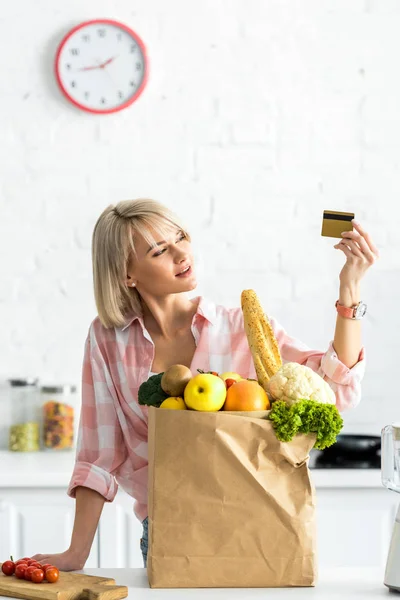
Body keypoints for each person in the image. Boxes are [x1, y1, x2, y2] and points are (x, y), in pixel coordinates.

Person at [31, 198, 379, 570]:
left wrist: (350, 290)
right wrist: (76, 554)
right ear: (126, 274)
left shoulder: (241, 327)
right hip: (170, 531)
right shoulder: (108, 340)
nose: (182, 253)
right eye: (160, 250)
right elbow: (98, 454)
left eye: (181, 237)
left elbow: (334, 390)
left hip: (257, 530)